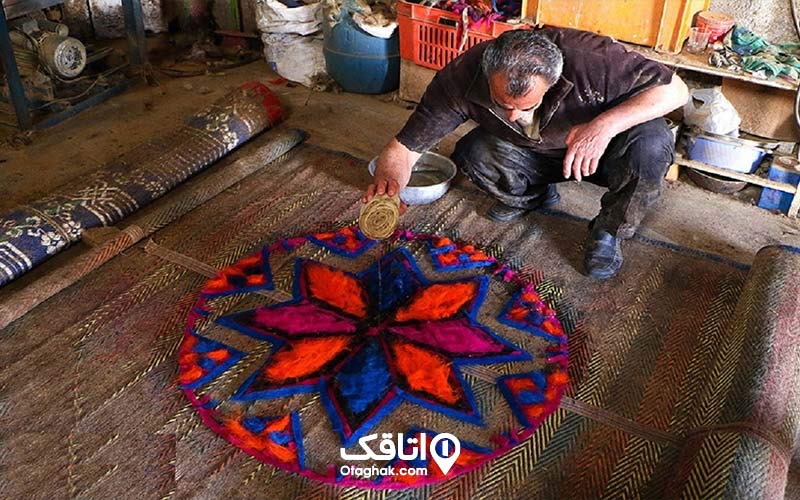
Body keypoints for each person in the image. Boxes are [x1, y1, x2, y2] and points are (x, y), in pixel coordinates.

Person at [363, 27, 688, 280]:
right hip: (536, 154)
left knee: (653, 143)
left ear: (553, 79)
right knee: (473, 152)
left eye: (526, 106)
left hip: (605, 151)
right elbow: (404, 148)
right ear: (488, 73)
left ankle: (609, 231)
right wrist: (390, 184)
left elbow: (676, 91)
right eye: (503, 106)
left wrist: (603, 126)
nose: (514, 116)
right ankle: (531, 196)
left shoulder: (591, 59)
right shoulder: (463, 75)